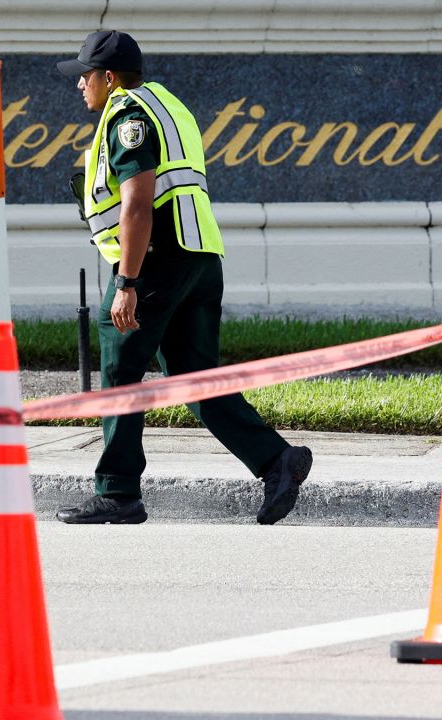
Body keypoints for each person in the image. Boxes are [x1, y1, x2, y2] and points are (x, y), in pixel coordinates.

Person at [55, 30, 312, 525]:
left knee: (119, 362)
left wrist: (127, 282)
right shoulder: (165, 103)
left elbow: (136, 204)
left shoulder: (129, 117)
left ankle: (118, 492)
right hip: (199, 257)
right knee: (195, 379)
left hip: (156, 260)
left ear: (108, 78)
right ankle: (275, 461)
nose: (80, 85)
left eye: (84, 75)